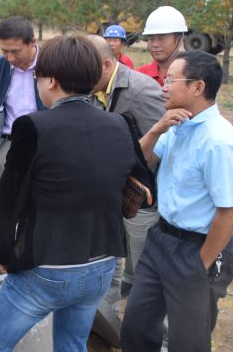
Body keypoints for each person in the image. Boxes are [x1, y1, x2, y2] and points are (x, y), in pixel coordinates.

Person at [0, 34, 137, 352]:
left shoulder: (32, 126)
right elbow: (134, 183)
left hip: (48, 267)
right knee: (72, 344)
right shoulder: (119, 123)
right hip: (101, 264)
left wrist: (5, 253)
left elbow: (8, 202)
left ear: (50, 81)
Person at [121, 51, 233, 351]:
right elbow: (140, 162)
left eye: (171, 81)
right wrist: (157, 128)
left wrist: (200, 265)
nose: (163, 87)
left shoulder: (219, 142)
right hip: (161, 239)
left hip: (198, 247)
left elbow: (229, 213)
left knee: (187, 341)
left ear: (197, 87)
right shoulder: (178, 124)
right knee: (136, 327)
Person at [88, 35, 165, 347]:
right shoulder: (96, 89)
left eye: (86, 69)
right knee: (111, 259)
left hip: (141, 199)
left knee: (143, 267)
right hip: (114, 194)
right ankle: (108, 325)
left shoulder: (141, 90)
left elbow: (163, 143)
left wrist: (133, 177)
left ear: (107, 66)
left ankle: (152, 336)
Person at [0, 16, 46, 181]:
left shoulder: (52, 63)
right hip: (9, 144)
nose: (10, 58)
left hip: (46, 143)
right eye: (4, 51)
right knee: (9, 193)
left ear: (32, 42)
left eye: (15, 51)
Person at [136, 6, 187, 87]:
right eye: (151, 38)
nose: (155, 44)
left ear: (179, 39)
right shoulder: (139, 75)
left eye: (161, 38)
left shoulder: (189, 76)